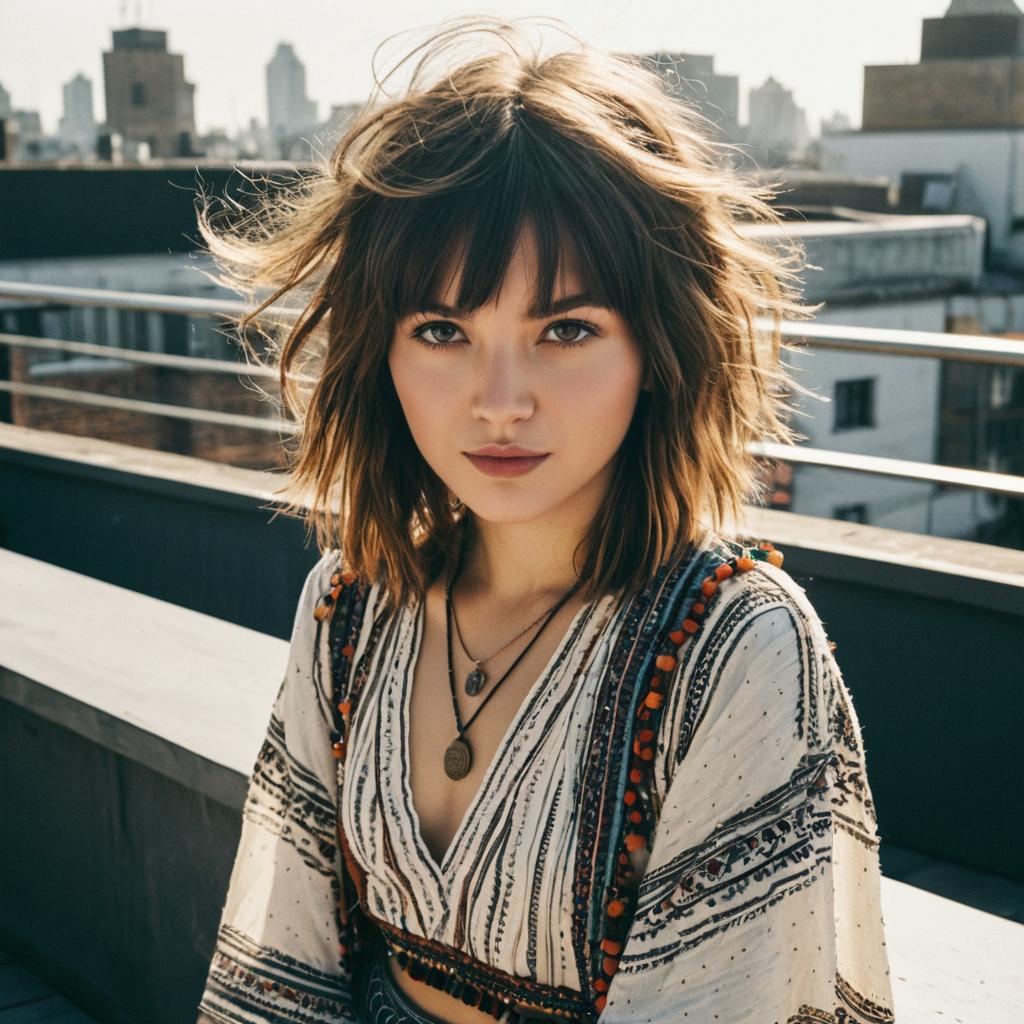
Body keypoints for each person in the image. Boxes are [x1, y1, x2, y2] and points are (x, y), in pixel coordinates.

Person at [195, 16, 894, 1024]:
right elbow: (278, 968)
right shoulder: (348, 607)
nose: (500, 398)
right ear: (380, 356)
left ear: (657, 344)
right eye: (441, 330)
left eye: (565, 328)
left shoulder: (733, 647)